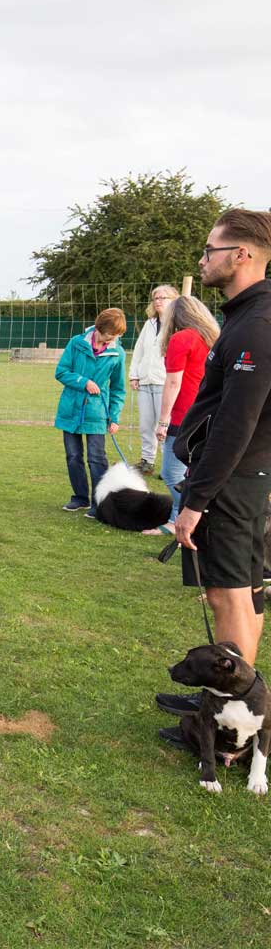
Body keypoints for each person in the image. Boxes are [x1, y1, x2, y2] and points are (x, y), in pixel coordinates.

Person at [156, 210, 271, 727]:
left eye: (210, 251)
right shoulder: (246, 316)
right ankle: (239, 704)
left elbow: (235, 424)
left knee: (229, 592)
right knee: (248, 592)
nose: (203, 260)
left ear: (241, 256)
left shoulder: (256, 324)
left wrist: (195, 501)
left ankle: (233, 714)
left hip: (234, 481)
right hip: (249, 478)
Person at [142, 296, 220, 537]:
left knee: (172, 472)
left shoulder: (181, 338)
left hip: (184, 414)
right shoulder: (211, 338)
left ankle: (186, 517)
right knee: (194, 469)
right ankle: (182, 517)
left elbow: (174, 381)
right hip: (207, 411)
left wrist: (163, 420)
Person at [54, 308, 127, 519]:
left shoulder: (117, 353)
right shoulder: (76, 343)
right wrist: (83, 382)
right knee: (73, 455)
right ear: (98, 329)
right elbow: (61, 371)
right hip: (71, 409)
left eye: (116, 337)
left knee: (97, 458)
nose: (111, 340)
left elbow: (118, 389)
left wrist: (114, 417)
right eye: (109, 336)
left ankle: (99, 502)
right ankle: (79, 497)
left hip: (97, 412)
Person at [129, 286, 177, 475]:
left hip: (164, 382)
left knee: (164, 425)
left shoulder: (177, 324)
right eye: (155, 298)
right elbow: (139, 350)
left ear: (173, 299)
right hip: (145, 382)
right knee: (146, 425)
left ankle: (169, 465)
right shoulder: (150, 324)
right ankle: (147, 461)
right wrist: (134, 374)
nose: (158, 301)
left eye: (162, 298)